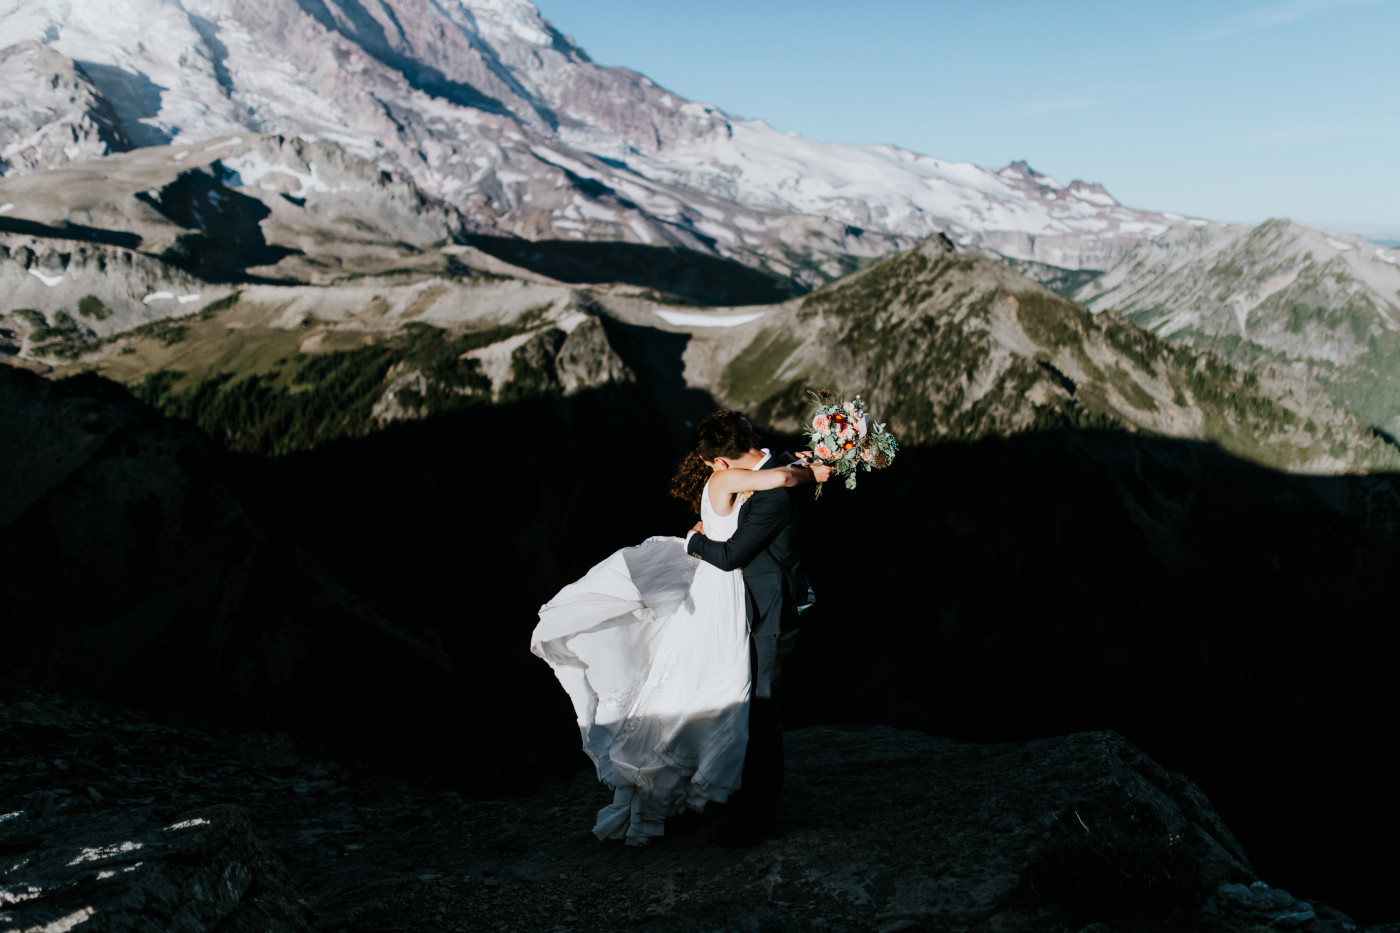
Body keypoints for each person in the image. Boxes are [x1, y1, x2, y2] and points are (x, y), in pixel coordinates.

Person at [531, 411, 830, 846]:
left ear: (716, 460)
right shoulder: (744, 480)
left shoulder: (738, 477)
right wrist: (810, 472)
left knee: (737, 700)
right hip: (728, 593)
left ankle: (741, 804)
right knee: (739, 701)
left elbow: (776, 477)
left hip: (735, 598)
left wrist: (800, 466)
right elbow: (779, 484)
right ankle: (732, 798)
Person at [683, 417, 817, 846]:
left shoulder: (774, 494)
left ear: (721, 459)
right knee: (745, 705)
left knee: (761, 713)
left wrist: (693, 541)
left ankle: (761, 818)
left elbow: (730, 557)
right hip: (748, 606)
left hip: (771, 612)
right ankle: (740, 794)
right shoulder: (775, 467)